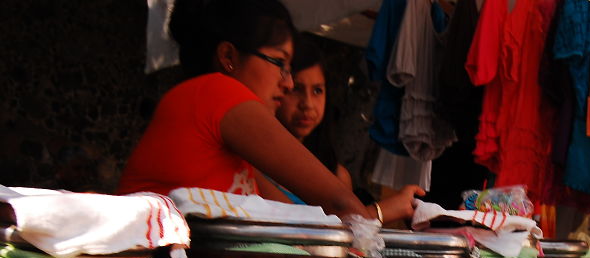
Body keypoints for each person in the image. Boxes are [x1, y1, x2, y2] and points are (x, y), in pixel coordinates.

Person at [117, 0, 420, 224]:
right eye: (279, 63)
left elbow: (304, 222)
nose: (287, 83)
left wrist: (377, 213)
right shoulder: (216, 92)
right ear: (228, 56)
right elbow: (338, 202)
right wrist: (382, 215)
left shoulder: (226, 136)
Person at [273, 39, 352, 203]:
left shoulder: (337, 175)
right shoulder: (254, 165)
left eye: (317, 90)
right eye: (296, 89)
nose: (307, 104)